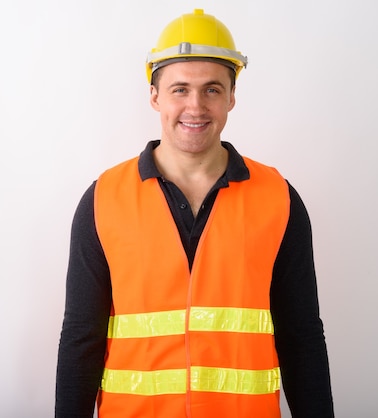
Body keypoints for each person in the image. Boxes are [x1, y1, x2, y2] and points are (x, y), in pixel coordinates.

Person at [55, 8, 334, 418]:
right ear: (154, 95)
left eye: (212, 90)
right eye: (180, 89)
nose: (196, 106)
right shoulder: (103, 200)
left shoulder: (278, 198)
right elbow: (81, 337)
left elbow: (302, 336)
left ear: (232, 96)